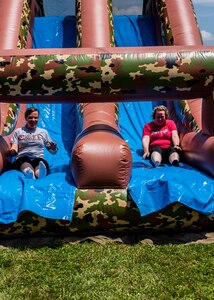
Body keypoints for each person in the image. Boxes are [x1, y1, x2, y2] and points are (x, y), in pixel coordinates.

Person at [9, 107, 58, 179]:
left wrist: (53, 148)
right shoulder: (19, 131)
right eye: (30, 118)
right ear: (26, 118)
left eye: (36, 118)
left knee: (39, 162)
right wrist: (13, 151)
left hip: (38, 158)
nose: (33, 120)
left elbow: (53, 152)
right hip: (23, 158)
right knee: (24, 161)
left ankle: (39, 174)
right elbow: (14, 146)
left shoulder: (43, 132)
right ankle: (29, 172)